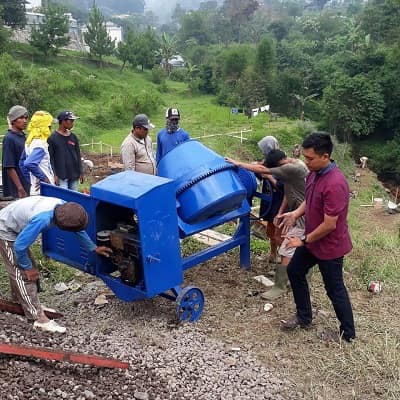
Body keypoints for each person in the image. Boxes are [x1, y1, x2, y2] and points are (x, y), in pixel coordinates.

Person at [280, 133, 355, 343]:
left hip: (330, 246)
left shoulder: (335, 183)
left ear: (326, 156)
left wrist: (303, 240)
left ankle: (347, 334)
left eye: (310, 158)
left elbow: (330, 224)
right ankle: (304, 318)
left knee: (334, 288)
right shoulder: (314, 172)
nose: (306, 162)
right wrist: (295, 214)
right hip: (312, 241)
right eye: (305, 157)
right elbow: (309, 200)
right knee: (295, 270)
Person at [0, 196, 112, 333]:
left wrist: (93, 248)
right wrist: (27, 268)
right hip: (5, 229)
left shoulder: (65, 207)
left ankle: (21, 301)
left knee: (28, 268)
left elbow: (78, 229)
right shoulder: (42, 220)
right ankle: (38, 318)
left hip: (16, 221)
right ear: (60, 226)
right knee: (22, 273)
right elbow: (19, 247)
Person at [226, 149, 308, 300]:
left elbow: (263, 169)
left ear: (280, 164)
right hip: (293, 214)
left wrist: (238, 163)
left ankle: (280, 286)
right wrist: (280, 211)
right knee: (286, 243)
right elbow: (288, 193)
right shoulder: (291, 167)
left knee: (286, 248)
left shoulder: (294, 168)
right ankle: (290, 274)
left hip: (303, 217)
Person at [20, 111, 55, 195]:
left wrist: (33, 180)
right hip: (44, 191)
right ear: (45, 127)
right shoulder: (40, 144)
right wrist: (44, 179)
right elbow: (29, 163)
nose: (51, 129)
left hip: (35, 190)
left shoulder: (29, 142)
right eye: (49, 126)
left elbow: (21, 164)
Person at [48, 111, 84, 191]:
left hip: (74, 174)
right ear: (63, 121)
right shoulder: (52, 138)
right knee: (63, 200)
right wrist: (54, 174)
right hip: (61, 175)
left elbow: (78, 155)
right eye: (70, 121)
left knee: (74, 199)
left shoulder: (73, 137)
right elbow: (51, 158)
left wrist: (81, 172)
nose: (72, 123)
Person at [2, 105, 31, 198]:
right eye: (21, 118)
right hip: (15, 189)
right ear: (13, 120)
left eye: (26, 118)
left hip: (25, 183)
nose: (25, 121)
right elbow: (9, 166)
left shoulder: (23, 137)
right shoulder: (9, 138)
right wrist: (19, 188)